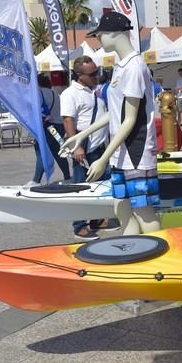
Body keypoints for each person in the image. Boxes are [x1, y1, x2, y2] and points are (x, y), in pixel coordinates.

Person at [60, 11, 160, 236]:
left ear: (114, 34)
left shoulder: (135, 66)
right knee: (121, 207)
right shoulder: (120, 66)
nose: (99, 40)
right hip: (120, 152)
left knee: (143, 210)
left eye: (100, 35)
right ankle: (133, 249)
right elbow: (115, 113)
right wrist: (80, 135)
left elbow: (130, 119)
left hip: (136, 150)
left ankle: (160, 257)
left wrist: (102, 159)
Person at [60, 56, 118, 240]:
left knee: (99, 186)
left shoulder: (93, 90)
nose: (96, 76)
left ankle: (97, 219)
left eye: (97, 71)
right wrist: (76, 147)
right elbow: (68, 119)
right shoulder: (71, 93)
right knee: (81, 188)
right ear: (79, 75)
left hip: (99, 146)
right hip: (84, 148)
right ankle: (79, 226)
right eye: (92, 73)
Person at [29, 73, 71, 186]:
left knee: (41, 152)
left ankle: (36, 180)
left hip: (47, 127)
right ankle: (67, 176)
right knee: (58, 152)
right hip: (58, 126)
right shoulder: (56, 94)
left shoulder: (39, 93)